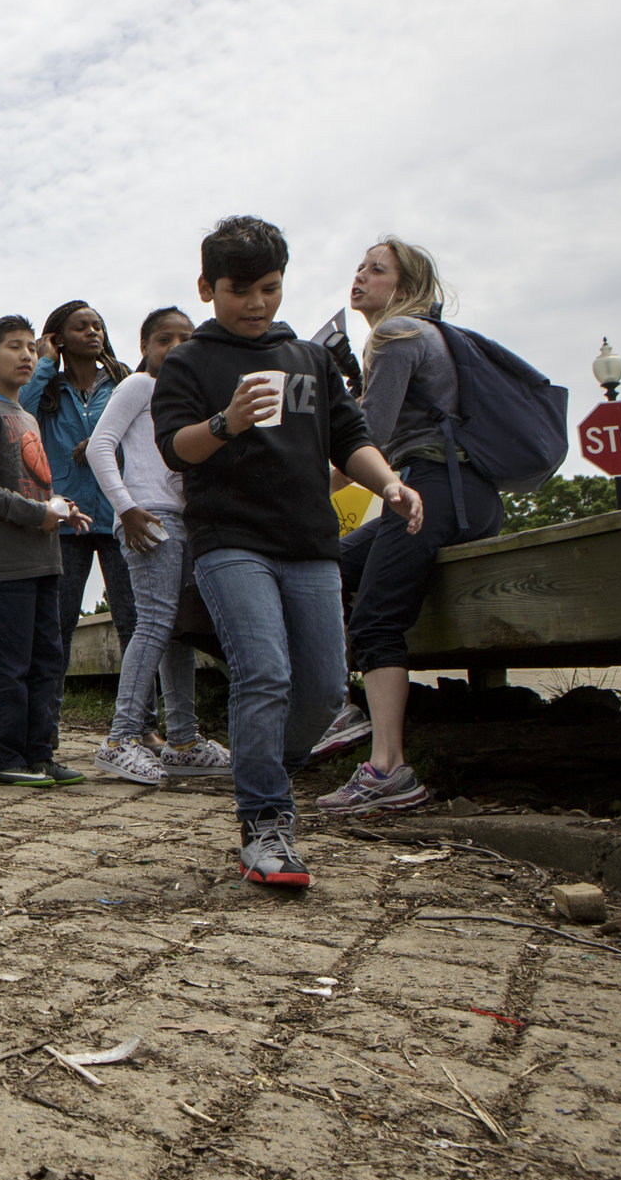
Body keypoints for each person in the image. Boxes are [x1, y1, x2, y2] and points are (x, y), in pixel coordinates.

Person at [153, 216, 421, 888]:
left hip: (309, 546)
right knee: (264, 673)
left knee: (326, 689)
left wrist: (387, 483)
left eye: (269, 288)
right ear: (207, 287)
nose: (256, 304)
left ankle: (261, 764)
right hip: (229, 543)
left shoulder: (308, 357)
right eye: (240, 289)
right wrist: (225, 422)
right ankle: (266, 824)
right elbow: (173, 447)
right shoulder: (190, 362)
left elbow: (348, 437)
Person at [322, 238, 496, 816]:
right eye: (359, 267)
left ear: (406, 285)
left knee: (376, 618)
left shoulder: (396, 336)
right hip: (458, 490)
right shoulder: (425, 337)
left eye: (377, 270)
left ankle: (388, 770)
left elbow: (365, 440)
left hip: (435, 488)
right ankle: (336, 707)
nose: (360, 277)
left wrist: (289, 490)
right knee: (332, 564)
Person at [85, 307, 230, 784]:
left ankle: (183, 740)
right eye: (164, 339)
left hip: (186, 521)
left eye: (186, 338)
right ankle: (121, 737)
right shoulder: (138, 387)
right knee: (153, 622)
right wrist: (125, 507)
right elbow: (98, 445)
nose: (176, 347)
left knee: (177, 629)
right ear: (145, 346)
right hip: (149, 517)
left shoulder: (186, 398)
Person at [0, 316, 90, 786]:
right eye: (13, 347)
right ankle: (2, 758)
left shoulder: (29, 416)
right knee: (10, 662)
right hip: (5, 564)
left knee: (47, 661)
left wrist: (61, 509)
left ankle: (40, 753)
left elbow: (36, 486)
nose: (25, 356)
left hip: (45, 557)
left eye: (30, 349)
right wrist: (37, 514)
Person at [21, 301, 137, 669]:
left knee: (133, 622)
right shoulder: (48, 388)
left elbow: (142, 431)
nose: (92, 333)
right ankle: (47, 723)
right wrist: (44, 363)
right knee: (58, 624)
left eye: (98, 327)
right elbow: (19, 413)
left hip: (118, 515)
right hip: (67, 517)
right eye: (81, 327)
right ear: (59, 339)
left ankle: (143, 721)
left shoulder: (123, 382)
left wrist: (103, 439)